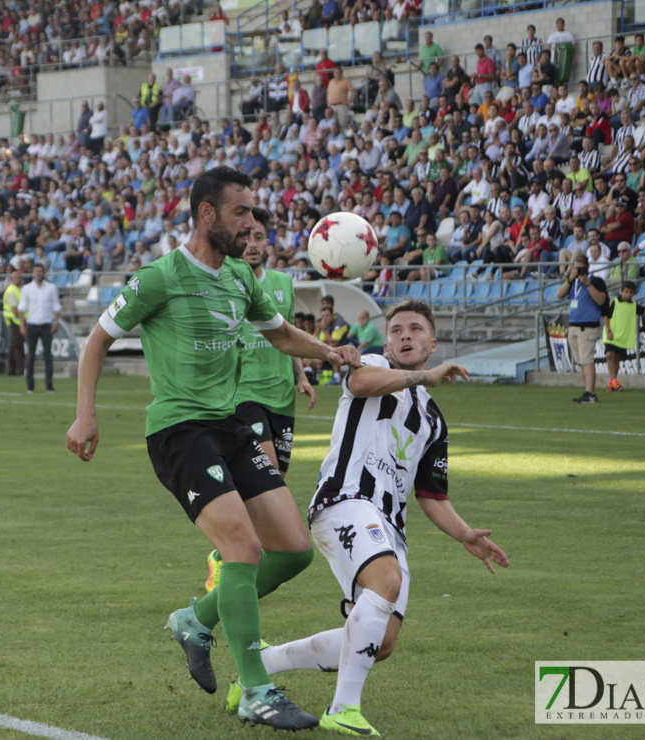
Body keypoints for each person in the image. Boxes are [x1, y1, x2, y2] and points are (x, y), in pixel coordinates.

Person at [67, 167, 361, 731]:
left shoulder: (238, 277)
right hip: (179, 430)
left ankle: (194, 620)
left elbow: (278, 333)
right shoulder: (160, 277)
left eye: (253, 213)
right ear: (208, 215)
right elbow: (99, 337)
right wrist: (86, 413)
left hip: (229, 427)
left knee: (294, 550)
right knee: (243, 547)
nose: (251, 224)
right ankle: (256, 690)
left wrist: (329, 352)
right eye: (241, 213)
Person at [219, 300, 509, 737]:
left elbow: (431, 495)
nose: (404, 336)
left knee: (381, 642)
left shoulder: (432, 419)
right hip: (345, 500)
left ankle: (260, 663)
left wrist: (465, 533)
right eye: (396, 329)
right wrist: (423, 375)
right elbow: (359, 382)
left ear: (433, 342)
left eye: (414, 329)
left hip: (391, 524)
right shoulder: (372, 363)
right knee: (385, 581)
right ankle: (343, 708)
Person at [203, 206, 317, 590]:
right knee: (265, 472)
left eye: (258, 238)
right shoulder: (228, 282)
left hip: (281, 395)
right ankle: (231, 558)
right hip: (245, 394)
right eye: (246, 238)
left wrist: (300, 374)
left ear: (268, 243)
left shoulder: (283, 283)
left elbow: (286, 334)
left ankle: (229, 554)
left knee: (274, 483)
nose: (252, 245)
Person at [557, 252, 608, 403]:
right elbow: (559, 294)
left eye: (581, 268)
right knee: (581, 361)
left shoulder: (596, 281)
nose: (578, 270)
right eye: (575, 267)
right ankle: (587, 391)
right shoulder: (572, 283)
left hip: (588, 326)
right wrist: (570, 277)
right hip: (573, 325)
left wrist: (587, 283)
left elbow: (600, 300)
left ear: (588, 267)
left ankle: (590, 392)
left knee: (587, 360)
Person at [602, 280, 645, 392]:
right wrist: (608, 331)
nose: (628, 294)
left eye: (631, 292)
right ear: (621, 291)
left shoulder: (633, 305)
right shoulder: (614, 302)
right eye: (626, 292)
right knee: (610, 355)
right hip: (611, 335)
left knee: (617, 358)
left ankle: (612, 383)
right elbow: (606, 316)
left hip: (623, 337)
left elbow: (644, 309)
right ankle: (614, 381)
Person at [19, 264, 61, 394]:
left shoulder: (51, 288)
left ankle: (49, 385)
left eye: (40, 271)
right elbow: (21, 308)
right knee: (30, 356)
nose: (38, 273)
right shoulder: (26, 288)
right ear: (32, 273)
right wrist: (22, 325)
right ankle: (30, 386)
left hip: (46, 324)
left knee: (48, 356)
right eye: (35, 271)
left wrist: (55, 322)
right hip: (32, 324)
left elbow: (56, 306)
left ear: (44, 273)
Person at [2, 269, 25, 376]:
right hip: (15, 321)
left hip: (15, 321)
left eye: (19, 277)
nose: (18, 279)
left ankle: (11, 369)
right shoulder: (12, 291)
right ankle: (20, 368)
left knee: (14, 345)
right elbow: (14, 310)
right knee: (18, 346)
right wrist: (22, 321)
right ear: (11, 280)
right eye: (16, 278)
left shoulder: (17, 289)